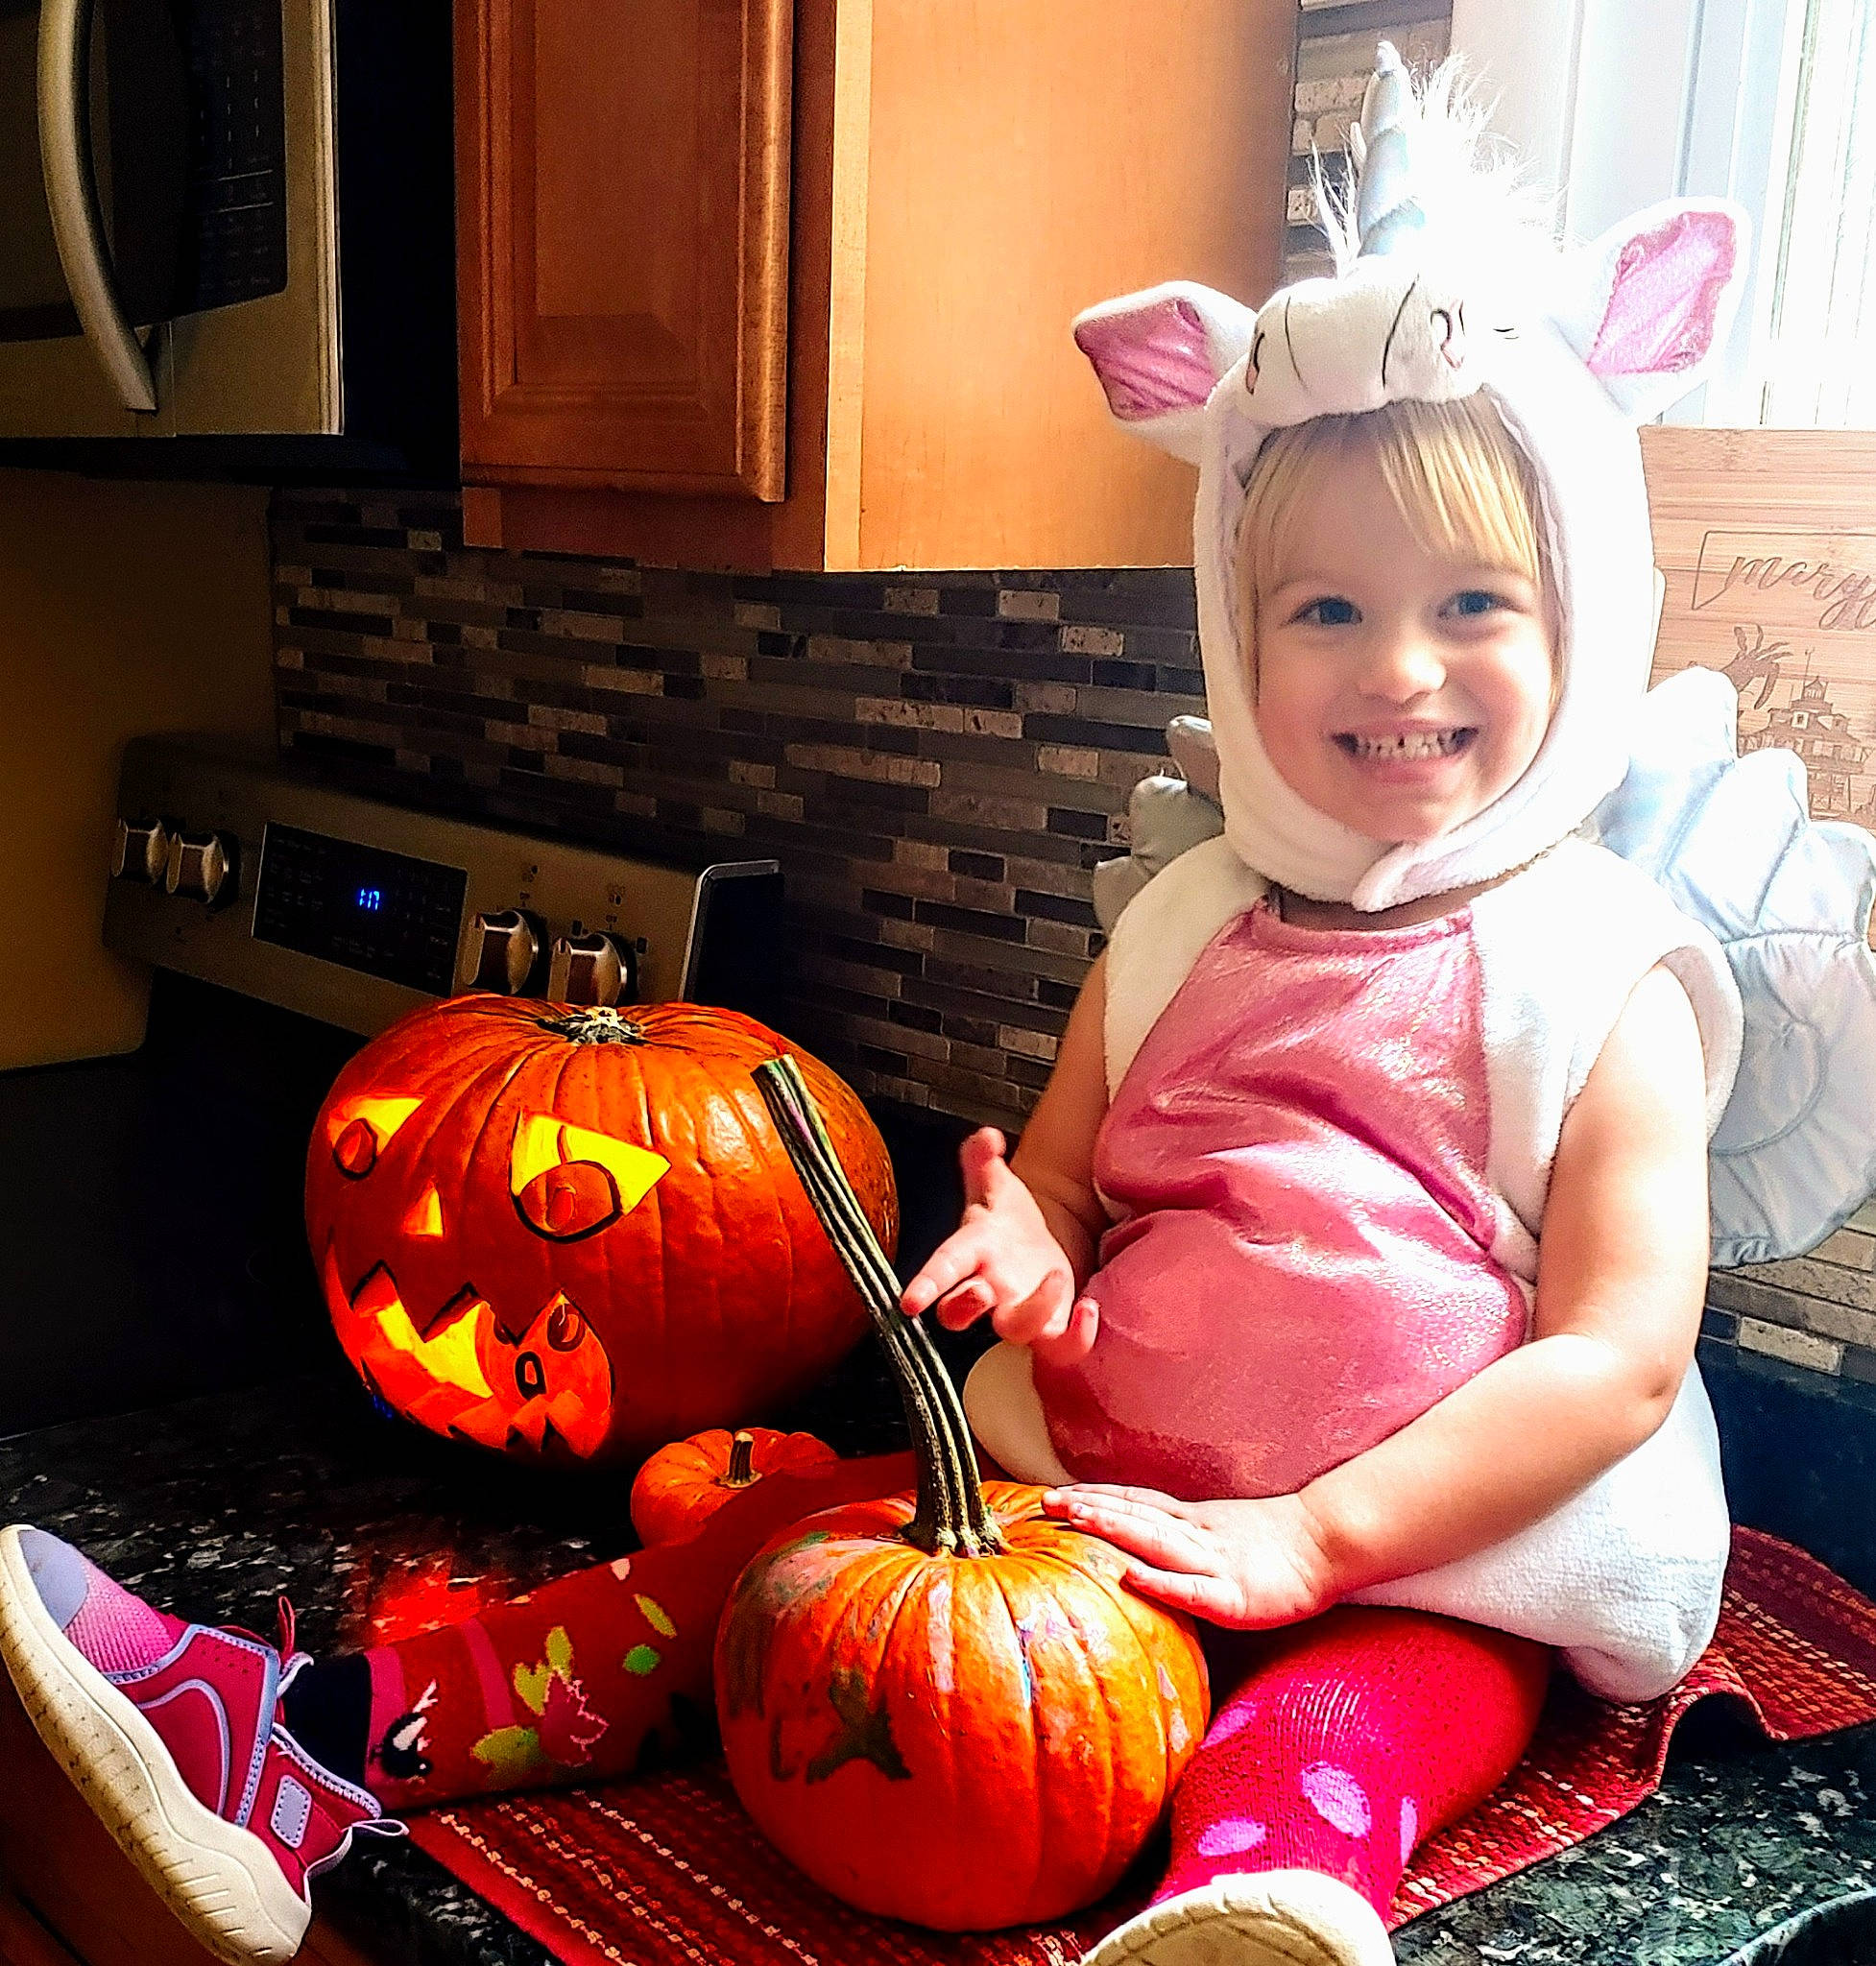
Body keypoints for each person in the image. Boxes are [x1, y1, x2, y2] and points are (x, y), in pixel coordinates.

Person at [0, 51, 1757, 1966]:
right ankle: (273, 1735)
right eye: (1322, 610)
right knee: (737, 1570)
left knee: (1339, 1736)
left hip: (1417, 1572)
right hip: (1083, 1507)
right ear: (1239, 635)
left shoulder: (1600, 979)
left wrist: (1319, 1541)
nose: (1395, 664)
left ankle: (1254, 1917)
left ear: (1586, 617)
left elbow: (1613, 1363)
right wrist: (1022, 1237)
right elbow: (1074, 1192)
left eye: (1475, 604)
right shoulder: (1180, 922)